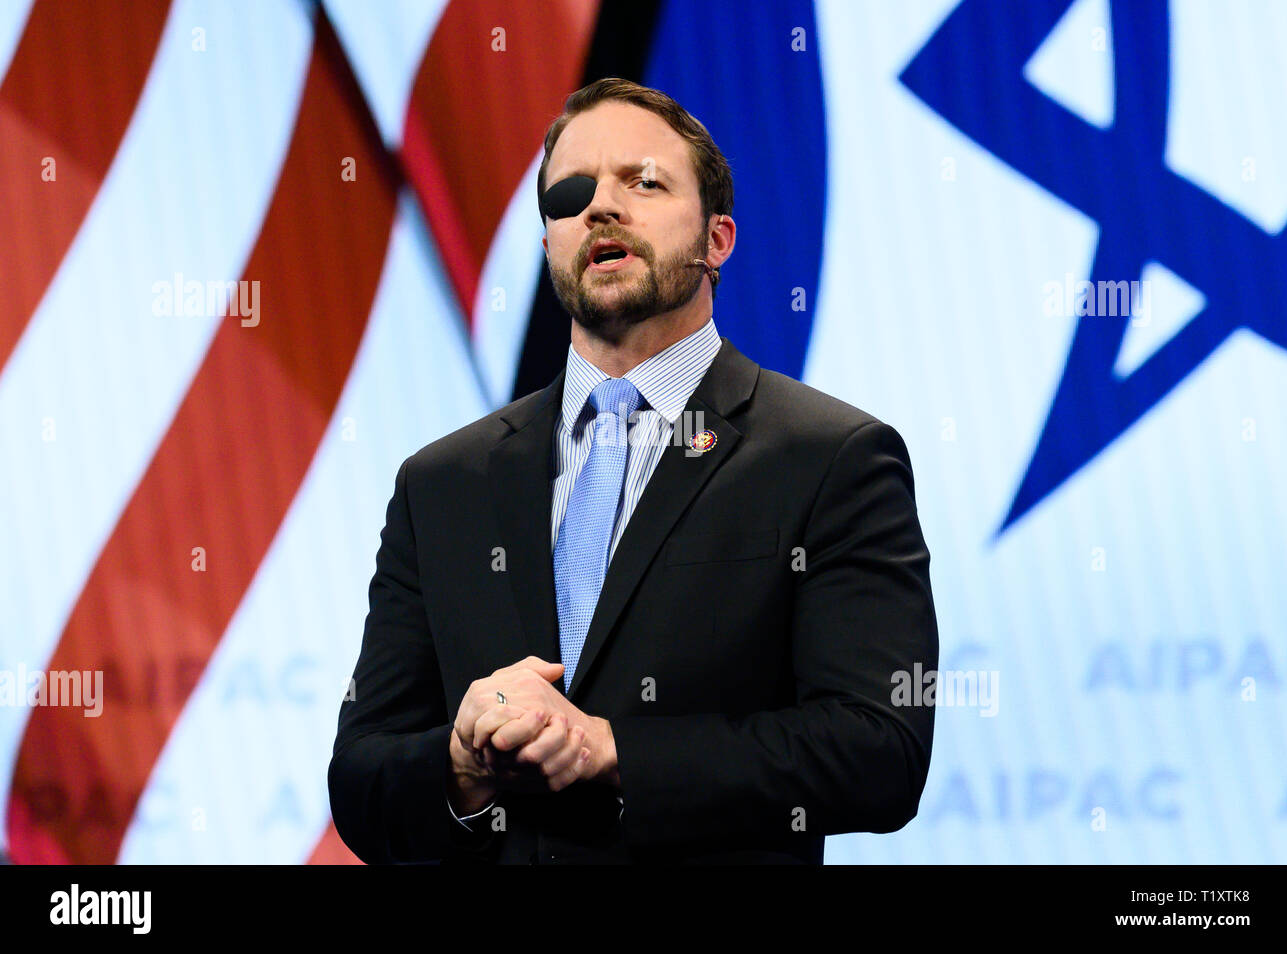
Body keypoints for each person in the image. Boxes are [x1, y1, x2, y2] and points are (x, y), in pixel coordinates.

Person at [328, 78, 939, 864]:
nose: (601, 209)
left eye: (643, 182)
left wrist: (613, 751)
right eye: (572, 194)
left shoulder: (832, 458)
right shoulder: (441, 483)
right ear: (549, 242)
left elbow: (879, 751)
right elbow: (360, 782)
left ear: (718, 240)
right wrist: (460, 761)